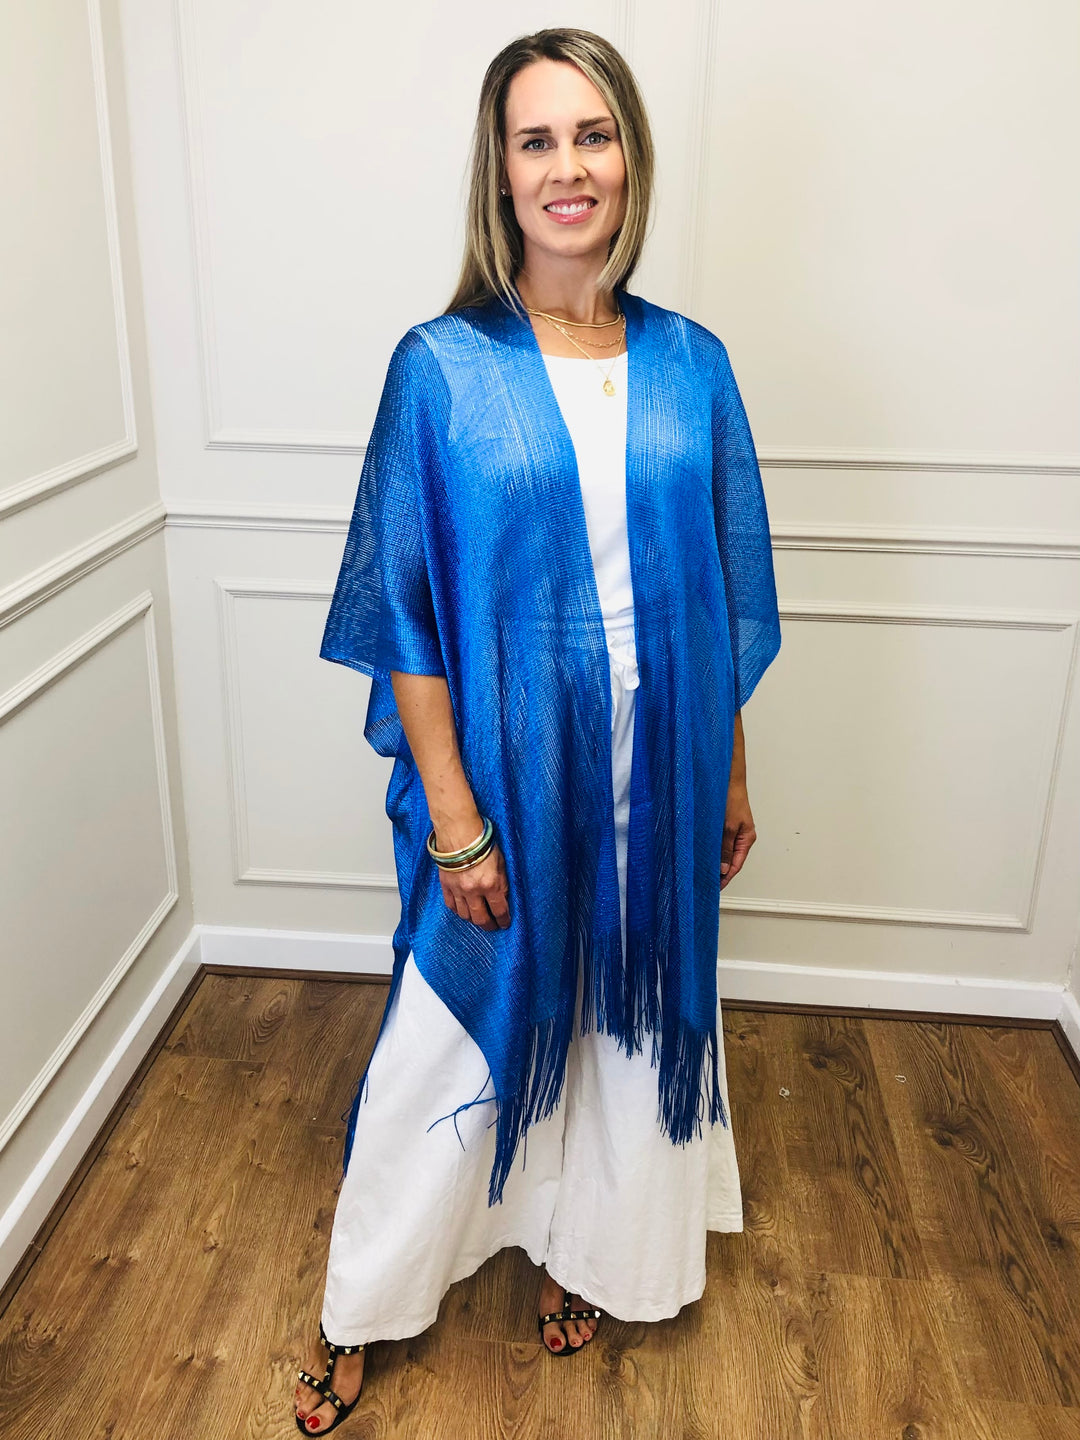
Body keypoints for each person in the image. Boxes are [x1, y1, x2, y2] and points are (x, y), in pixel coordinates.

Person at [293, 26, 780, 1434]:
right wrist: (456, 822)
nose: (570, 167)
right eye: (537, 140)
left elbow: (721, 586)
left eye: (594, 134)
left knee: (626, 1025)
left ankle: (592, 1252)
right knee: (455, 1031)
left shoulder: (692, 364)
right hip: (507, 773)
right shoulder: (443, 370)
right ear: (500, 174)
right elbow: (405, 613)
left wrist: (731, 776)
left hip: (662, 770)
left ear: (630, 158)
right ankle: (362, 1304)